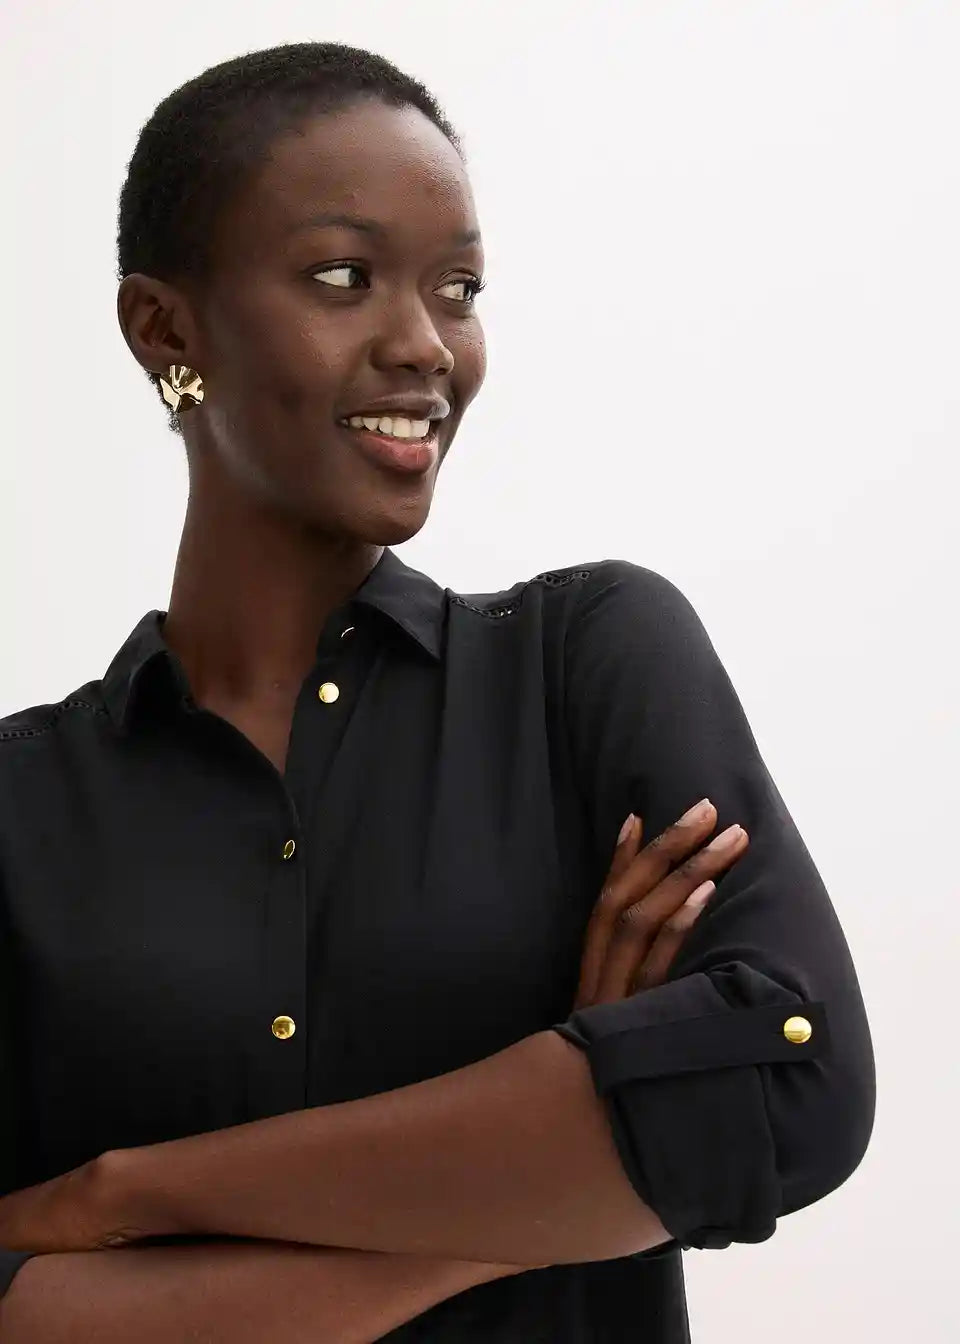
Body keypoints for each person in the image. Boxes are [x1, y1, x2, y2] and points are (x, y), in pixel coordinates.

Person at [0, 41, 875, 1342]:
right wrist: (559, 1159)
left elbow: (797, 1080)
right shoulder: (19, 812)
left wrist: (125, 1194)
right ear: (165, 330)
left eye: (457, 288)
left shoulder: (586, 664)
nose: (424, 345)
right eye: (343, 279)